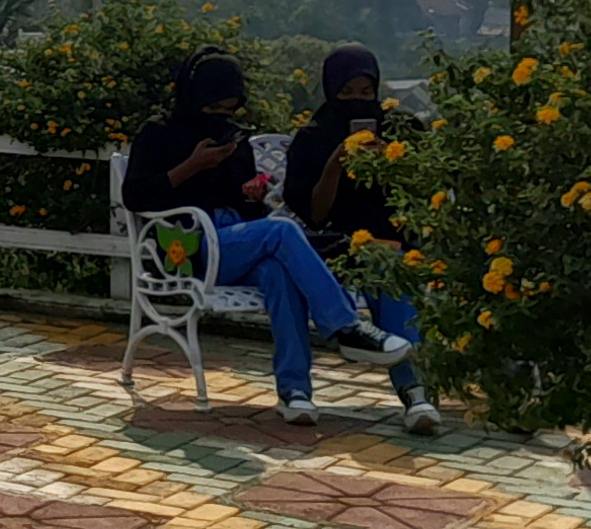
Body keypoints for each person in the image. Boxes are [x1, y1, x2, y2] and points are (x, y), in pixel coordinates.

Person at [123, 51, 411, 423]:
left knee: (278, 271)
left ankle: (294, 392)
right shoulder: (159, 132)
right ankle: (345, 326)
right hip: (187, 247)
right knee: (282, 229)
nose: (221, 117)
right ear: (195, 97)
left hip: (233, 245)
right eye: (213, 109)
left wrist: (251, 195)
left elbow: (246, 212)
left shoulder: (233, 138)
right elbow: (136, 196)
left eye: (229, 109)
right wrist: (192, 166)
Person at [289, 43, 442, 435]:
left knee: (394, 273)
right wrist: (335, 166)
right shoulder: (312, 138)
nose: (357, 101)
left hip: (391, 244)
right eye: (346, 93)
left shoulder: (401, 129)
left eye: (365, 92)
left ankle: (415, 393)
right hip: (335, 247)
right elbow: (314, 215)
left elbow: (423, 193)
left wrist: (392, 164)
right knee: (375, 266)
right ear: (331, 91)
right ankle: (298, 389)